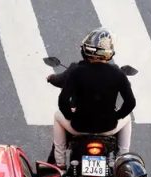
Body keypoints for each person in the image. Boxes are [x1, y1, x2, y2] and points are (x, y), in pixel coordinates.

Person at [51, 27, 135, 168]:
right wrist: (116, 116)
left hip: (78, 127)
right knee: (127, 120)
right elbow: (130, 103)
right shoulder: (117, 73)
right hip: (108, 127)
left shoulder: (77, 71)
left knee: (57, 116)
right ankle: (121, 161)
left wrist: (70, 116)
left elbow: (62, 101)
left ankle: (59, 162)